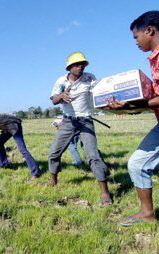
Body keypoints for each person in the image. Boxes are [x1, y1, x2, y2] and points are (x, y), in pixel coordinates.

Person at [107, 11, 159, 226]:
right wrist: (127, 107)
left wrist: (141, 104)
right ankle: (147, 215)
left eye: (136, 37)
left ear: (150, 31)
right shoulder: (156, 58)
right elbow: (156, 99)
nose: (135, 42)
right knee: (137, 164)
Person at [48, 52, 112, 206]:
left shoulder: (90, 78)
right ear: (69, 67)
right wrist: (62, 96)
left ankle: (105, 193)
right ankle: (53, 181)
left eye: (82, 64)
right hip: (68, 121)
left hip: (85, 121)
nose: (80, 67)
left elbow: (99, 93)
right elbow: (53, 100)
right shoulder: (61, 81)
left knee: (92, 155)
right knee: (54, 152)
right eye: (77, 64)